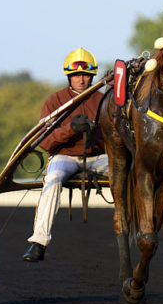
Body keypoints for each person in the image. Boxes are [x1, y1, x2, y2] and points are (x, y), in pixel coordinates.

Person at [23, 47, 108, 262]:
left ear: (92, 76)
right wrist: (71, 129)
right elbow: (45, 141)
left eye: (86, 75)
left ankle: (135, 231)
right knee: (52, 179)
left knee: (128, 172)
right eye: (77, 75)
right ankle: (39, 242)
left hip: (98, 157)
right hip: (64, 158)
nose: (81, 79)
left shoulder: (102, 101)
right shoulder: (54, 101)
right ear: (69, 76)